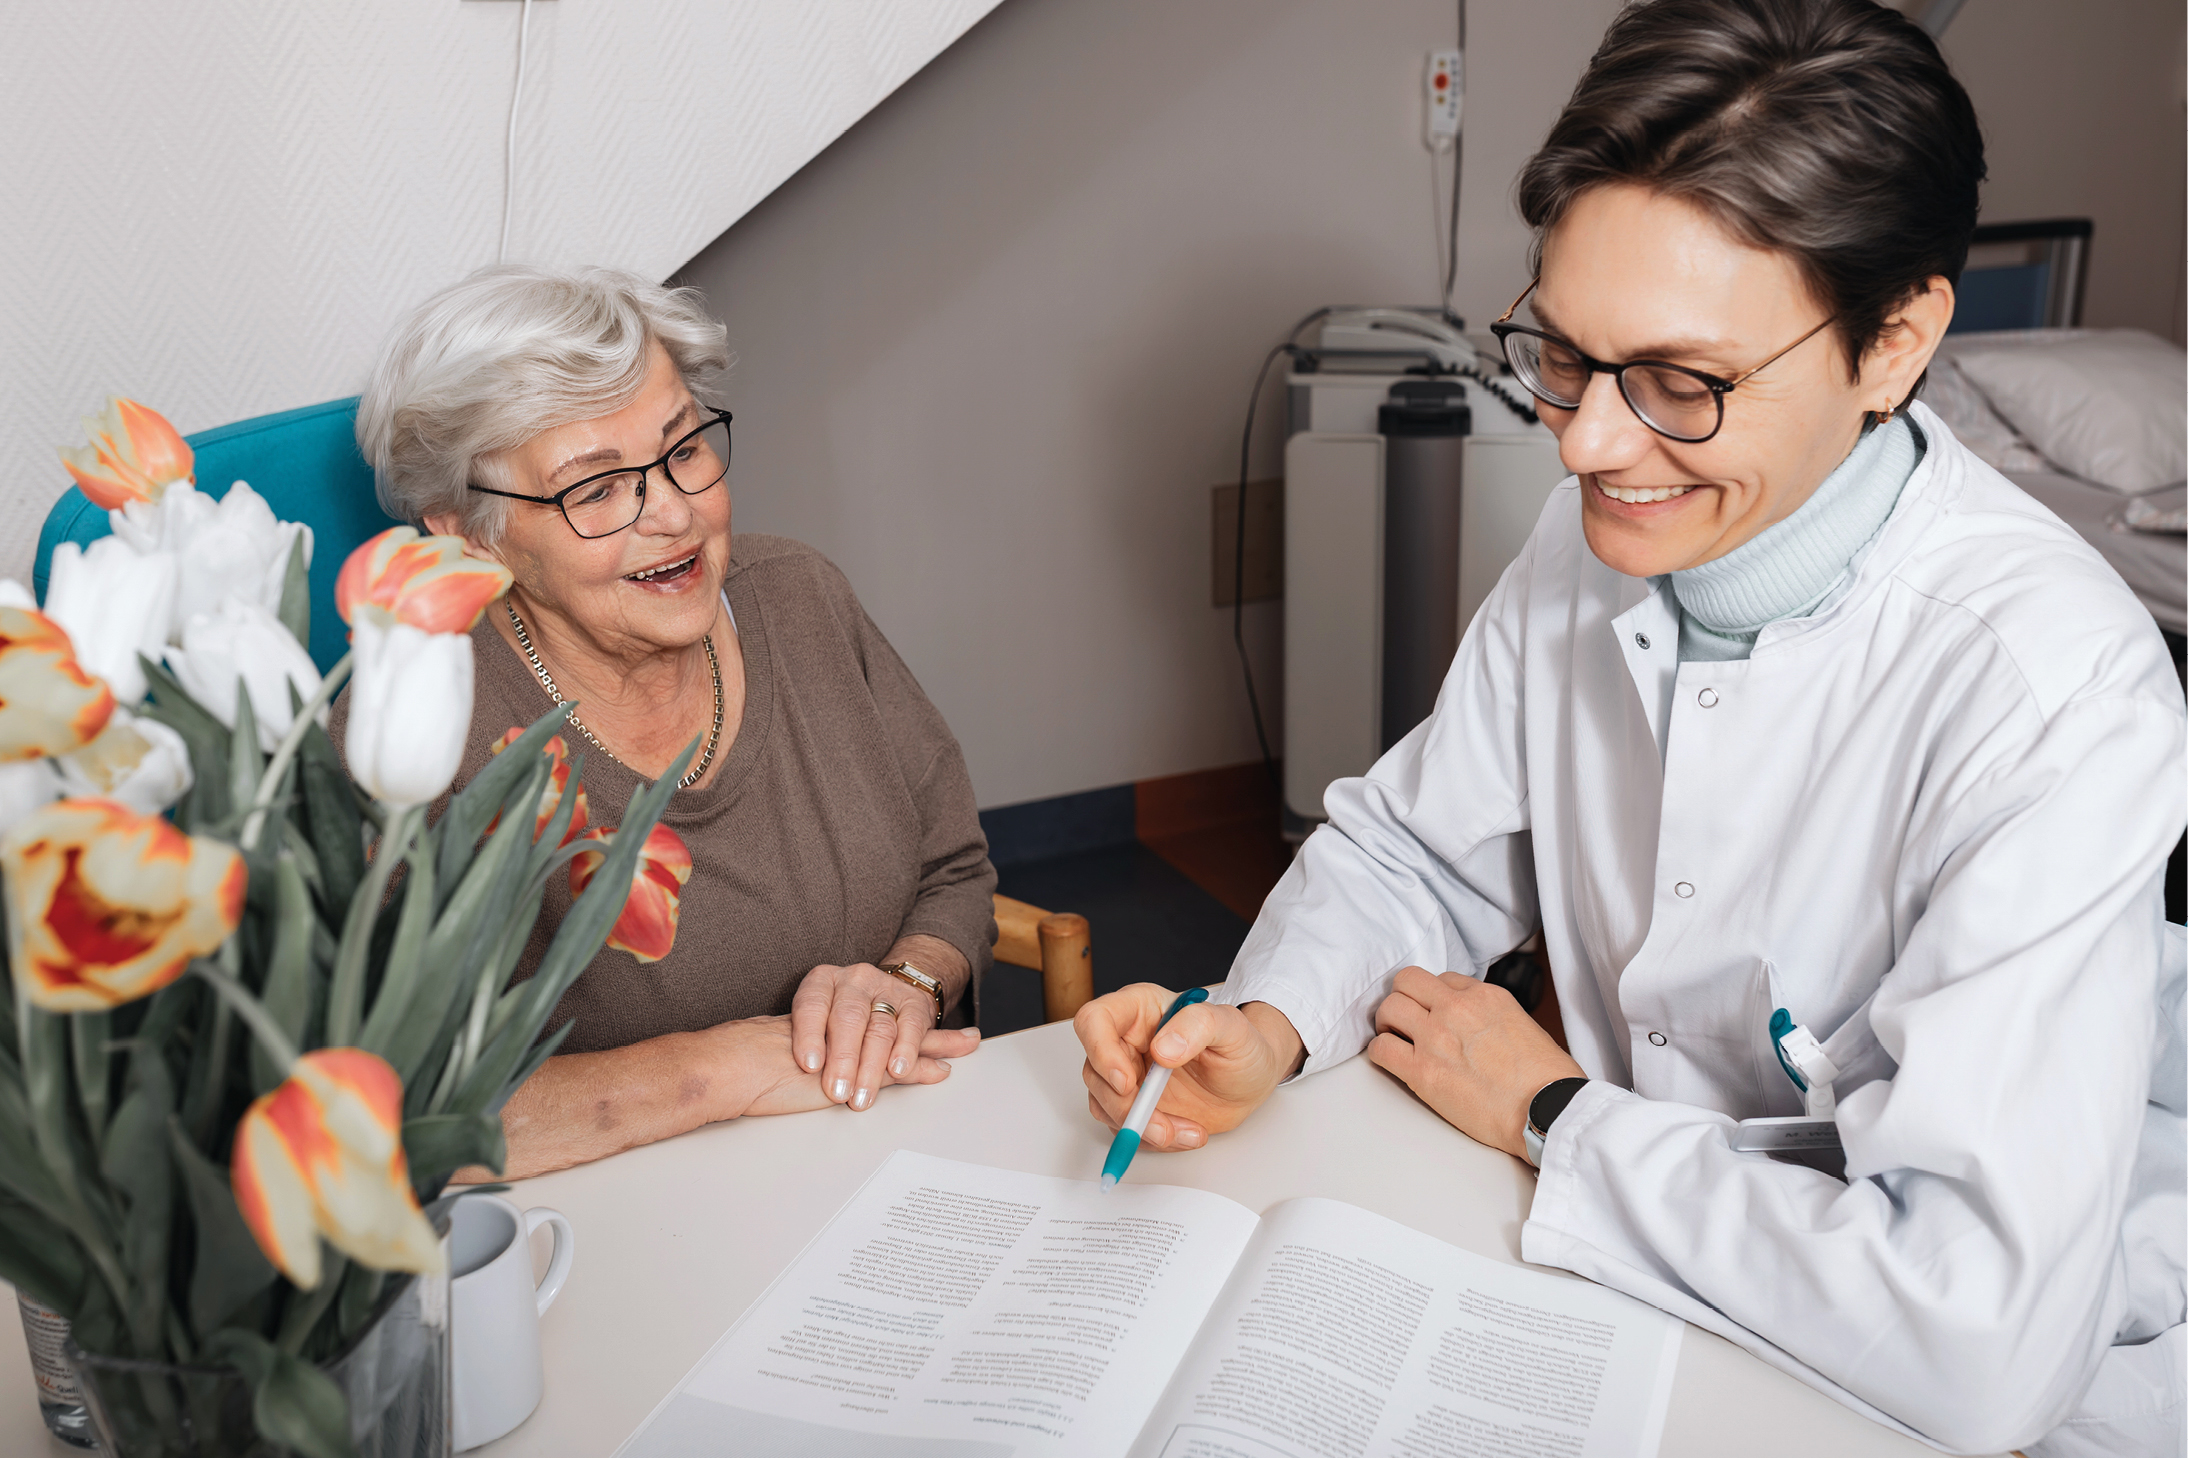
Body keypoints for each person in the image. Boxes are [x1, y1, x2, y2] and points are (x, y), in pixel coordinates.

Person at [1073, 3, 2185, 1454]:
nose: (1588, 442)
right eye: (1563, 354)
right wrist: (1268, 1021)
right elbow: (1419, 852)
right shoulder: (1594, 537)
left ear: (1894, 343)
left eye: (1681, 383)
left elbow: (1974, 1335)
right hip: (1642, 1283)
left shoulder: (2054, 693)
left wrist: (1553, 1113)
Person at [344, 265, 995, 1178]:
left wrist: (908, 983)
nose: (674, 514)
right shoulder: (409, 731)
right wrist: (719, 1072)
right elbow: (391, 1114)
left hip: (893, 1166)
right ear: (469, 537)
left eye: (683, 449)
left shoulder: (800, 597)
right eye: (596, 490)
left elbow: (953, 870)